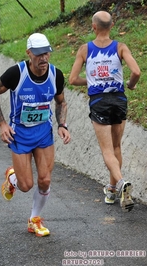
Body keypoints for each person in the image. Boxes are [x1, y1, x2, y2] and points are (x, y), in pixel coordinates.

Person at [0, 33, 71, 237]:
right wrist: (2, 123)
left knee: (45, 180)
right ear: (29, 53)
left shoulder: (55, 75)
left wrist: (62, 125)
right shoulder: (16, 73)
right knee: (26, 186)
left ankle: (35, 219)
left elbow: (61, 101)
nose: (43, 58)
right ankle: (13, 177)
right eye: (38, 54)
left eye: (47, 53)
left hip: (43, 133)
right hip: (20, 134)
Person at [69, 11, 140, 212]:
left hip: (99, 101)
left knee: (107, 151)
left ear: (93, 27)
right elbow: (136, 72)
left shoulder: (85, 49)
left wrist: (92, 82)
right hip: (118, 99)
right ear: (111, 26)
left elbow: (73, 79)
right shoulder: (120, 47)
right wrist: (131, 85)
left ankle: (121, 184)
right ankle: (111, 190)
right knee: (117, 147)